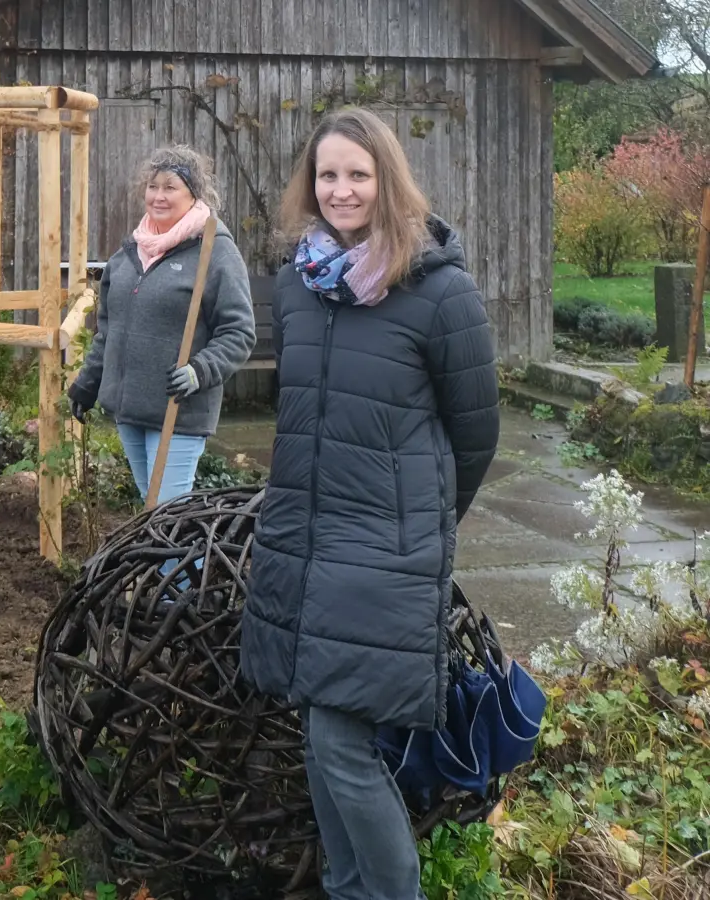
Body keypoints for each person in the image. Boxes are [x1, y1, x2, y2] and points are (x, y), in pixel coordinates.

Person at [240, 107, 500, 900]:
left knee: (343, 745)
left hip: (384, 554)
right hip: (304, 542)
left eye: (358, 173)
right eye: (327, 175)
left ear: (388, 180)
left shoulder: (438, 291)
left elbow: (477, 434)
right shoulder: (300, 283)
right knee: (323, 741)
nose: (342, 189)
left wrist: (414, 529)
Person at [67, 145, 256, 504]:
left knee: (167, 514)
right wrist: (87, 384)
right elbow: (108, 331)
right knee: (154, 515)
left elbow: (239, 331)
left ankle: (187, 564)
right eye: (153, 186)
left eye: (170, 187)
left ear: (193, 194)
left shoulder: (214, 252)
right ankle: (174, 563)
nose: (158, 196)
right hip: (129, 410)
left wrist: (199, 370)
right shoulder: (128, 255)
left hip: (177, 408)